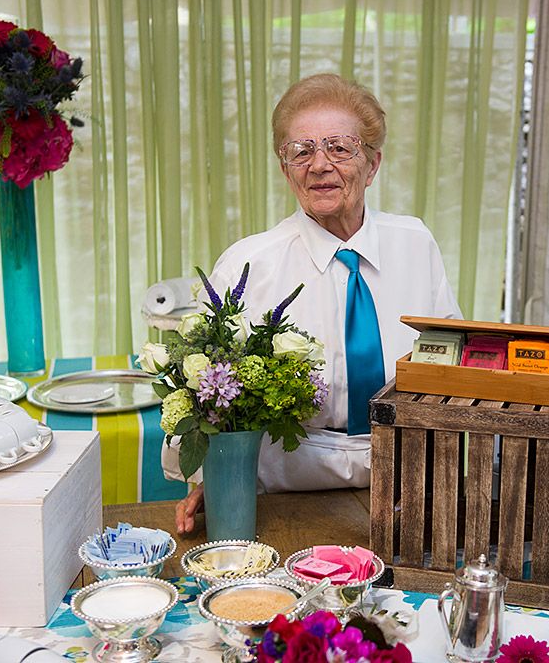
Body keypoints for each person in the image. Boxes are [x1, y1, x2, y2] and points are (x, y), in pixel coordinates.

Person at [168, 73, 461, 533]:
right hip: (284, 496)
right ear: (285, 169)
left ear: (373, 163)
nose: (319, 165)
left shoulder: (415, 242)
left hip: (405, 486)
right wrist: (216, 475)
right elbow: (202, 393)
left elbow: (450, 367)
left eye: (340, 148)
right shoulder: (247, 266)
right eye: (301, 151)